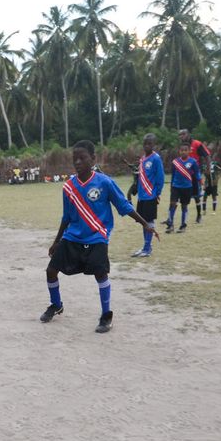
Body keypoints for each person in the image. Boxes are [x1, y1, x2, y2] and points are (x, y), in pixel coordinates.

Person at [40, 141, 158, 334]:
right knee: (51, 271)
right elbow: (66, 216)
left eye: (82, 158)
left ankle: (106, 315)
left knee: (100, 274)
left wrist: (144, 223)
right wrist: (57, 241)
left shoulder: (104, 182)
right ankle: (56, 304)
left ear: (93, 159)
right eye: (74, 159)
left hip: (97, 237)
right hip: (72, 237)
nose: (78, 162)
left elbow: (123, 205)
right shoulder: (68, 187)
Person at [125, 133, 165, 258]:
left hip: (150, 196)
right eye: (145, 144)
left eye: (150, 144)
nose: (147, 146)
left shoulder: (156, 158)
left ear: (154, 145)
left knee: (149, 221)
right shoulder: (142, 159)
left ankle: (147, 248)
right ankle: (146, 247)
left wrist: (157, 193)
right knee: (143, 222)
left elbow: (160, 178)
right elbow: (140, 177)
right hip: (142, 197)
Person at [164, 143, 199, 233]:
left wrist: (200, 181)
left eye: (185, 150)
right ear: (179, 151)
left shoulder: (193, 162)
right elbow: (173, 175)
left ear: (189, 151)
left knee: (184, 206)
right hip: (176, 186)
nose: (183, 152)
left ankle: (183, 226)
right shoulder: (175, 162)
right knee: (172, 205)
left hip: (187, 188)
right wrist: (171, 186)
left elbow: (197, 173)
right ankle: (170, 225)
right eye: (181, 150)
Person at [179, 130, 210, 224]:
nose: (181, 136)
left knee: (196, 196)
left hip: (195, 174)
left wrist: (208, 168)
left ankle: (199, 215)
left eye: (183, 134)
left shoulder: (197, 144)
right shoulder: (182, 146)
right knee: (183, 196)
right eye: (180, 135)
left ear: (188, 134)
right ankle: (183, 218)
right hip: (184, 174)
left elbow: (207, 155)